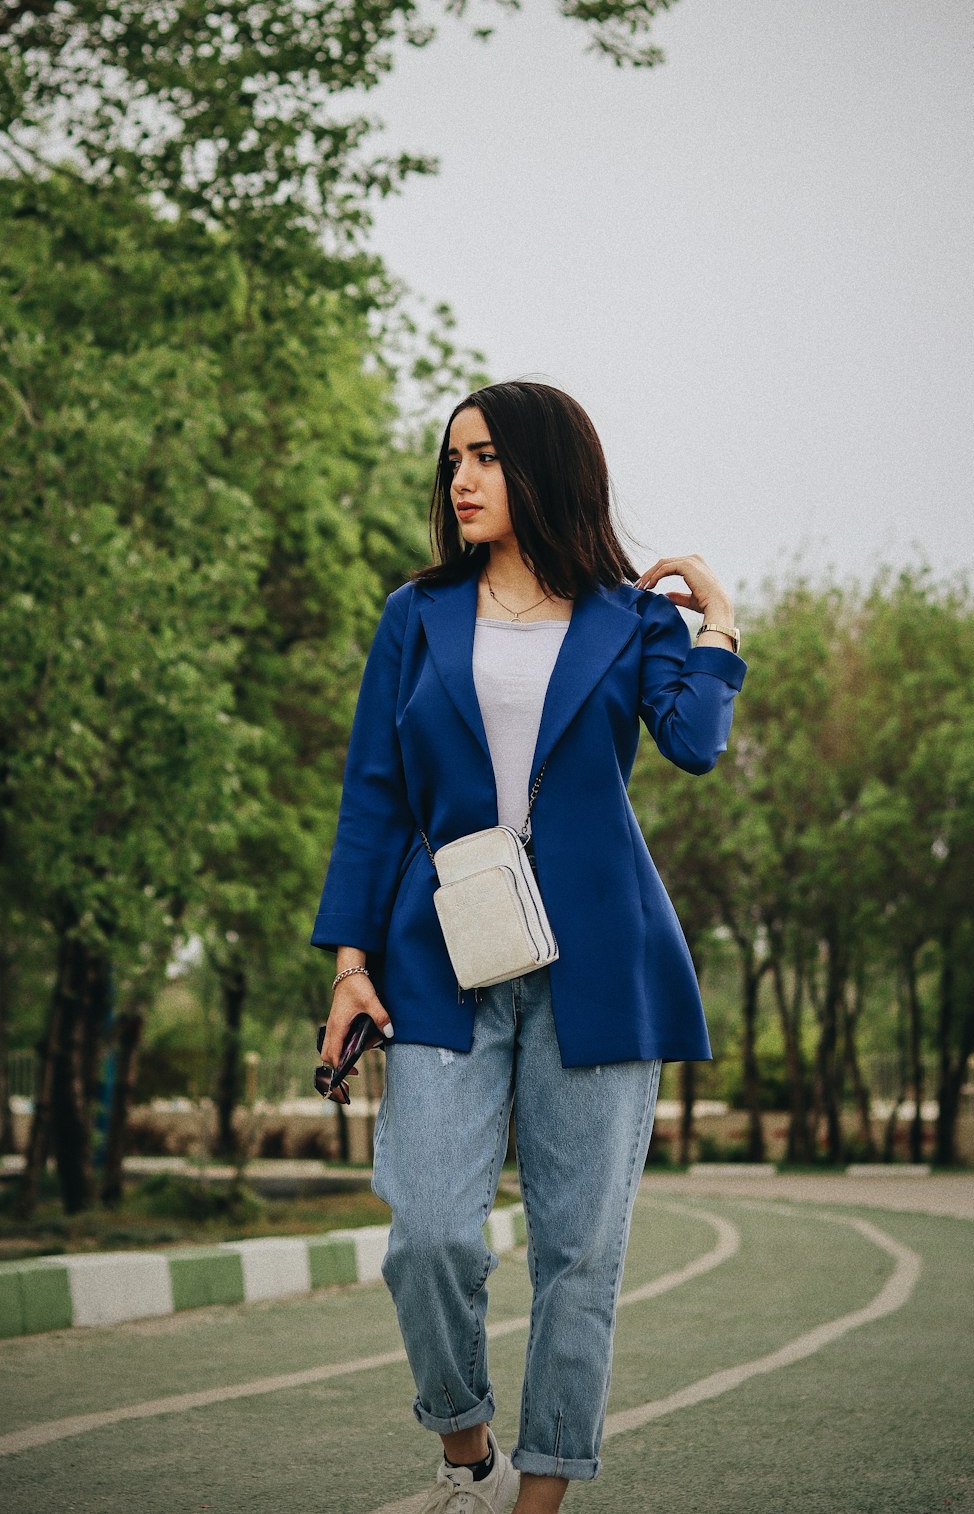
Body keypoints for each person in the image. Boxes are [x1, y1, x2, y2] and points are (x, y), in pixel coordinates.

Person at [314, 381, 746, 1513]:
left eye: (488, 456)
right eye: (453, 456)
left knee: (579, 1254)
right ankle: (466, 1449)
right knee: (431, 1235)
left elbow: (695, 744)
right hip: (437, 954)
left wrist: (717, 625)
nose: (460, 477)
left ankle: (535, 1500)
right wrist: (349, 961)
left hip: (600, 966)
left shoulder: (630, 619)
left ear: (546, 469)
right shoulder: (415, 614)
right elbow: (372, 794)